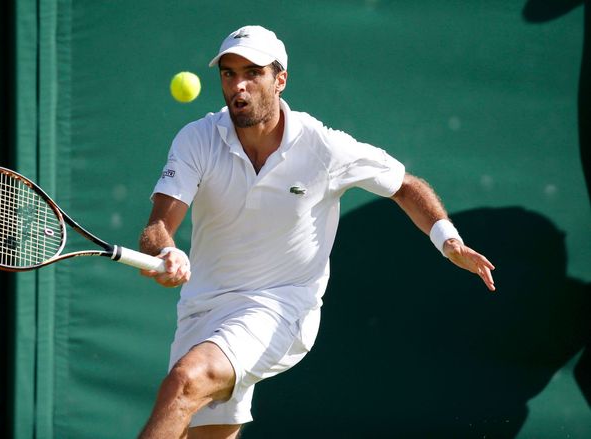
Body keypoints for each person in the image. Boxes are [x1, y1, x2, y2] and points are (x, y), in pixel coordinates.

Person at [136, 25, 496, 439]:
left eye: (253, 72)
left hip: (280, 307)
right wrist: (166, 252)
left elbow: (405, 186)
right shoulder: (196, 140)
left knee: (184, 382)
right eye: (229, 73)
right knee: (203, 431)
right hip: (203, 307)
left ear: (280, 79)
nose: (238, 85)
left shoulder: (324, 147)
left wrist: (447, 240)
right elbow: (158, 227)